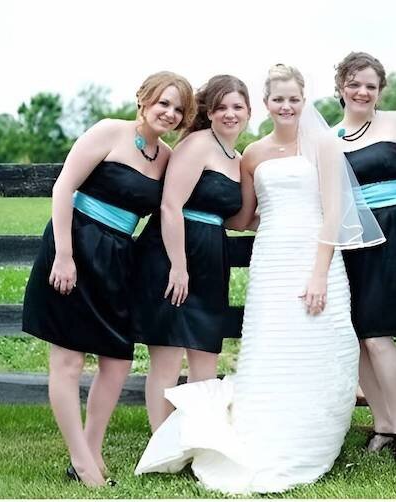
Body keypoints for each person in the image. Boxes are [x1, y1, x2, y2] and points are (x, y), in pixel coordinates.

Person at [134, 64, 384, 494]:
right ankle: (237, 434)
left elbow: (333, 213)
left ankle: (308, 439)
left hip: (315, 258)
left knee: (318, 346)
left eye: (293, 99)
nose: (286, 106)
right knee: (270, 348)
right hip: (271, 261)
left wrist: (318, 275)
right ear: (265, 104)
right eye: (278, 99)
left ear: (304, 101)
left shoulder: (324, 145)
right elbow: (243, 216)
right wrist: (229, 218)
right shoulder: (252, 154)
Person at [22, 71, 195, 487]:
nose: (169, 113)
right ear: (143, 100)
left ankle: (92, 449)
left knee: (117, 361)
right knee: (68, 360)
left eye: (178, 108)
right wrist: (64, 255)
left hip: (118, 257)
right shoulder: (108, 132)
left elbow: (174, 208)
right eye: (163, 103)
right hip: (76, 244)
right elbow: (63, 187)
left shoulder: (168, 158)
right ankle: (82, 463)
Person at [130, 75, 248, 432]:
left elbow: (238, 220)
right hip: (172, 256)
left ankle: (199, 438)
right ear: (208, 112)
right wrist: (178, 266)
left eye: (237, 106)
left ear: (248, 112)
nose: (230, 114)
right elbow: (170, 206)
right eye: (221, 107)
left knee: (206, 356)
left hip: (212, 259)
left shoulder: (239, 159)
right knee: (167, 358)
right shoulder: (197, 144)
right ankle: (161, 442)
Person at [333, 52, 396, 460]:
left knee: (376, 334)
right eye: (354, 84)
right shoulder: (329, 138)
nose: (362, 91)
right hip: (354, 242)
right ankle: (383, 423)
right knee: (357, 335)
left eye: (370, 85)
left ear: (380, 90)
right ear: (340, 87)